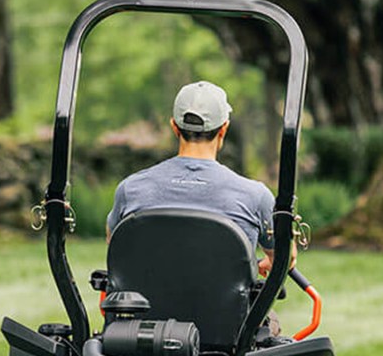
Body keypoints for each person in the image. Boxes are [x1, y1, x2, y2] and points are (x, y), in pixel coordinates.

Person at [106, 80, 294, 277]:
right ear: (223, 129)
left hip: (148, 307)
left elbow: (116, 246)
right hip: (226, 308)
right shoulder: (255, 196)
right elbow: (285, 258)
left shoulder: (131, 189)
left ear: (174, 127)